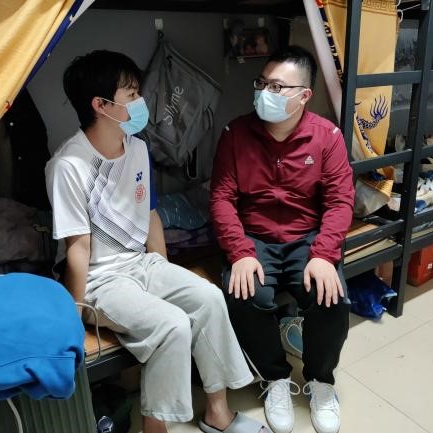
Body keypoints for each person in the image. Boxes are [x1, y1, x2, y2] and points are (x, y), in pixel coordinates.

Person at [45, 50, 270, 433]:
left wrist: (164, 272)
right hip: (101, 281)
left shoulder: (137, 149)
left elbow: (150, 216)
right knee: (172, 325)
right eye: (131, 94)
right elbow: (77, 248)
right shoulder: (68, 165)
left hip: (142, 264)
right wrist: (74, 315)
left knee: (209, 298)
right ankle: (155, 428)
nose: (141, 102)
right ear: (100, 105)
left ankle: (218, 413)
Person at [210, 46, 355, 433]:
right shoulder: (236, 134)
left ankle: (321, 380)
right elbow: (221, 198)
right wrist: (239, 252)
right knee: (245, 295)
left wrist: (324, 254)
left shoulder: (327, 137)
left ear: (304, 95)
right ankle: (275, 377)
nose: (264, 93)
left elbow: (341, 201)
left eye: (276, 87)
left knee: (331, 297)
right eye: (262, 83)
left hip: (307, 237)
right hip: (253, 237)